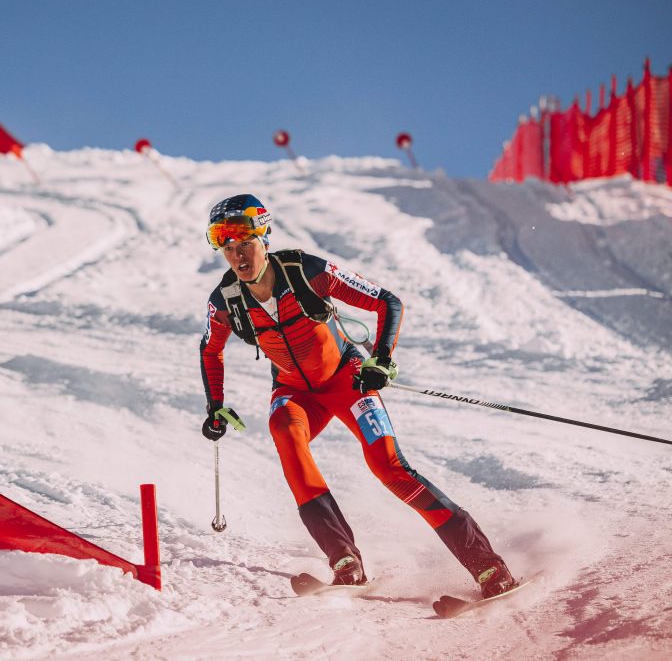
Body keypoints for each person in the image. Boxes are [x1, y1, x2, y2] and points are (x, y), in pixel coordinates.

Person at [198, 193, 516, 597]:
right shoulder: (224, 301)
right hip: (294, 389)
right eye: (226, 246)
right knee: (284, 430)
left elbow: (387, 302)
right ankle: (344, 559)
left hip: (345, 378)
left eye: (244, 242)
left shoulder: (306, 270)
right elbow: (210, 349)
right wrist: (215, 406)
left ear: (264, 235)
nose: (237, 255)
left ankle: (487, 565)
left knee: (388, 466)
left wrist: (380, 359)